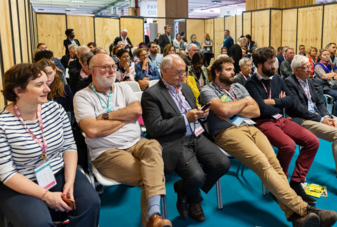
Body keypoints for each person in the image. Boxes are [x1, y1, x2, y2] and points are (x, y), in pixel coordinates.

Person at [200, 57, 337, 227]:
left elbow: (256, 110)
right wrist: (242, 105)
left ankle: (296, 217)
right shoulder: (207, 90)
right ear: (217, 72)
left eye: (233, 69)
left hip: (251, 127)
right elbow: (222, 109)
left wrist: (236, 106)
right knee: (262, 164)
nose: (233, 72)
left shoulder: (238, 87)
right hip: (226, 132)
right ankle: (306, 210)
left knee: (275, 165)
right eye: (228, 69)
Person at [73, 54, 171, 227]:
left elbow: (137, 110)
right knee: (151, 174)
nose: (112, 70)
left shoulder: (123, 88)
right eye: (106, 67)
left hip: (136, 142)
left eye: (113, 66)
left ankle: (153, 217)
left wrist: (106, 117)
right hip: (107, 152)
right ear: (92, 71)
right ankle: (154, 218)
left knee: (153, 145)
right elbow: (92, 130)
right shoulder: (82, 97)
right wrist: (126, 118)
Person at [0, 63, 100, 226]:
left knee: (90, 203)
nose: (47, 89)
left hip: (58, 171)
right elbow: (7, 173)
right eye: (39, 85)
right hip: (20, 183)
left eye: (46, 83)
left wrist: (69, 181)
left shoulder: (55, 109)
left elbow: (69, 146)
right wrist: (45, 195)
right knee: (38, 222)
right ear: (18, 90)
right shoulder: (3, 124)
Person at [141, 54, 230, 222]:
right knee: (196, 177)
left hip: (197, 135)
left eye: (184, 71)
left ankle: (184, 189)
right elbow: (154, 128)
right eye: (178, 72)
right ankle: (195, 199)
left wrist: (201, 114)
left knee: (223, 164)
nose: (182, 76)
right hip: (176, 141)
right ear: (164, 71)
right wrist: (185, 119)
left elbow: (193, 112)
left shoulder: (186, 88)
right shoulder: (151, 95)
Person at [286, 55, 337, 206]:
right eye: (306, 68)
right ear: (296, 70)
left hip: (320, 117)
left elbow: (319, 102)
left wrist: (325, 115)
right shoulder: (289, 83)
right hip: (304, 120)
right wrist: (320, 119)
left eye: (310, 67)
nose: (310, 70)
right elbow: (298, 109)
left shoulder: (309, 81)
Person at [245, 48, 320, 204]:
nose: (274, 66)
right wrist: (279, 103)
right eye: (270, 63)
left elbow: (292, 100)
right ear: (259, 64)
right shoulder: (250, 83)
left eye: (274, 62)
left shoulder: (277, 78)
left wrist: (273, 102)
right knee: (289, 146)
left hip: (281, 119)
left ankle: (296, 182)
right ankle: (280, 183)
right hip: (263, 122)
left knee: (313, 142)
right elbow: (261, 109)